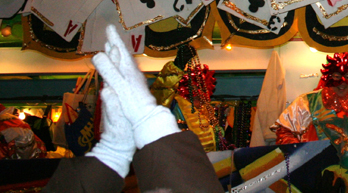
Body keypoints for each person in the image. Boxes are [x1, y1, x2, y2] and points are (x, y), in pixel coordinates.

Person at [43, 26, 222, 193]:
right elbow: (161, 96)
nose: (199, 94)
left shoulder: (207, 114)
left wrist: (110, 156)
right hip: (168, 168)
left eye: (202, 90)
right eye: (196, 89)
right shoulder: (178, 104)